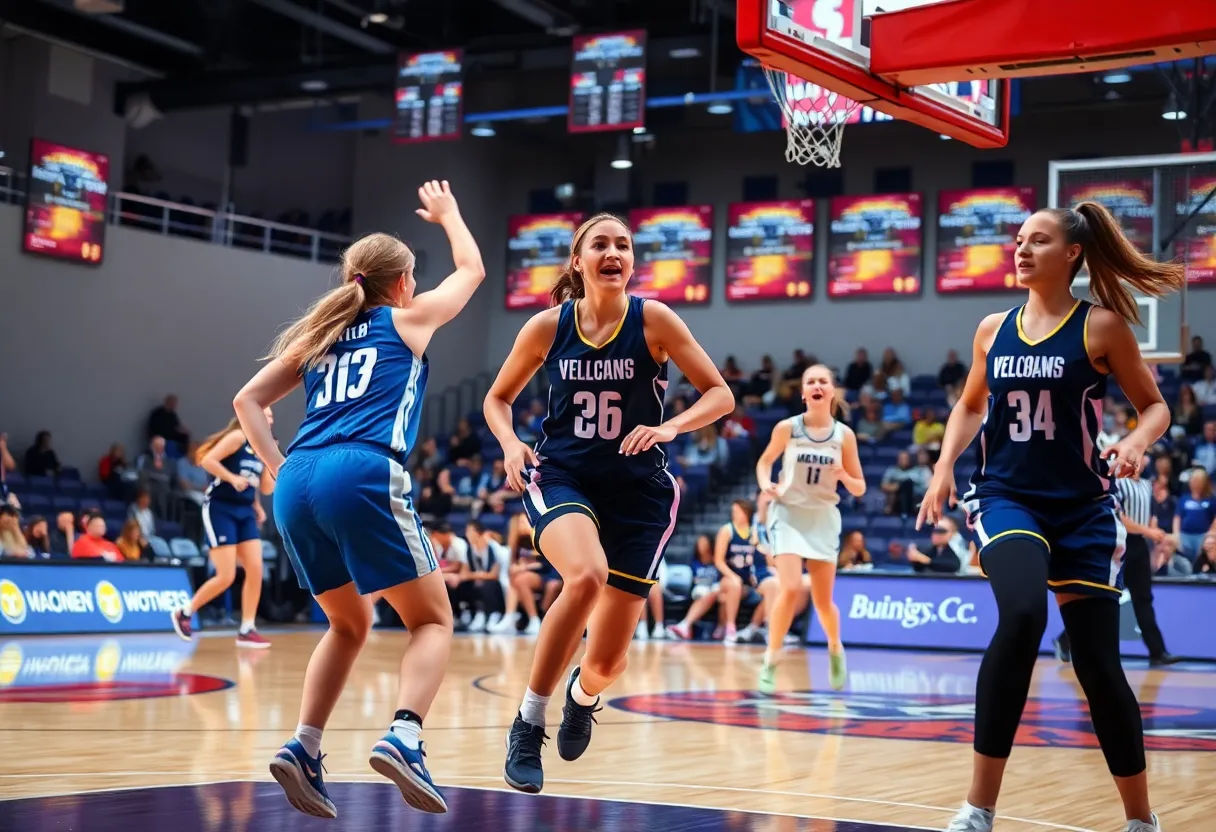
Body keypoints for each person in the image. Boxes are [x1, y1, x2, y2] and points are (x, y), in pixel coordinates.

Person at [918, 201, 1184, 832]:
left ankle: (1141, 820)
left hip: (1084, 510)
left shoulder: (1103, 328)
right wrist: (942, 467)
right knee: (1022, 614)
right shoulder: (992, 328)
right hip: (1006, 497)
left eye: (1038, 240)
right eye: (1018, 239)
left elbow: (1155, 407)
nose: (1022, 248)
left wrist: (1138, 441)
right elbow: (970, 406)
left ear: (1071, 255)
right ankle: (978, 808)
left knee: (1098, 664)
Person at [229, 180, 484, 819]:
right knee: (431, 619)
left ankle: (305, 745)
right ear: (400, 284)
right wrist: (450, 216)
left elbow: (247, 401)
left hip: (298, 480)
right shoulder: (409, 319)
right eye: (414, 278)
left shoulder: (319, 335)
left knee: (350, 622)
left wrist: (278, 466)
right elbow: (472, 269)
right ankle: (404, 733)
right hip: (361, 468)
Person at [484, 212, 734, 794]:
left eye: (623, 244)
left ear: (631, 262)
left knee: (608, 661)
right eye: (600, 244)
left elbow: (720, 394)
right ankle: (529, 720)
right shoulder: (547, 328)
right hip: (564, 474)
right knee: (586, 575)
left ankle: (581, 696)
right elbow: (498, 399)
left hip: (640, 492)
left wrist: (673, 427)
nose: (614, 251)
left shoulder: (656, 320)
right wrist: (510, 442)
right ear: (579, 261)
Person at [755, 364, 866, 694]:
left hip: (822, 518)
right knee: (788, 588)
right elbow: (764, 462)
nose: (817, 385)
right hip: (788, 513)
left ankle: (835, 647)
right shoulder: (787, 428)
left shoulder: (844, 435)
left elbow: (859, 486)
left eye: (823, 381)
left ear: (831, 391)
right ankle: (771, 658)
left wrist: (844, 476)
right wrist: (766, 484)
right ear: (803, 393)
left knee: (822, 602)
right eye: (810, 381)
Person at [1053, 452, 1177, 667]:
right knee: (1099, 597)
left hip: (1139, 547)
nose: (1137, 462)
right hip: (1119, 541)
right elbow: (1119, 517)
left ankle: (1158, 652)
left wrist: (1156, 538)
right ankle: (1065, 639)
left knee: (1143, 599)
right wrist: (1148, 531)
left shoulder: (1147, 486)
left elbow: (1149, 517)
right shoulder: (1118, 484)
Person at [171, 414, 276, 649]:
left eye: (271, 416)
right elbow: (207, 460)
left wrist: (269, 462)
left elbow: (267, 488)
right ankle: (185, 612)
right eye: (265, 415)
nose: (269, 420)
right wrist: (231, 477)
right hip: (221, 508)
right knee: (226, 575)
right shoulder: (238, 437)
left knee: (256, 568)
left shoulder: (261, 446)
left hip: (245, 511)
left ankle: (247, 628)